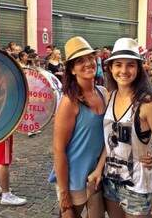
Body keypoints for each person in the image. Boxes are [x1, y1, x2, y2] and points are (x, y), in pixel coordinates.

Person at [102, 38, 152, 218]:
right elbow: (109, 141)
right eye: (118, 64)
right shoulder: (109, 95)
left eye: (130, 65)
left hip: (138, 186)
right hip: (110, 182)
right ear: (110, 68)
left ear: (139, 68)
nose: (123, 71)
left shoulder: (147, 103)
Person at [48, 36, 107, 217]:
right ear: (72, 69)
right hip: (73, 179)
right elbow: (58, 149)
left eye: (90, 58)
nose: (88, 63)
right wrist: (64, 192)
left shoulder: (103, 93)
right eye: (80, 61)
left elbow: (109, 137)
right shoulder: (69, 102)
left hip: (96, 176)